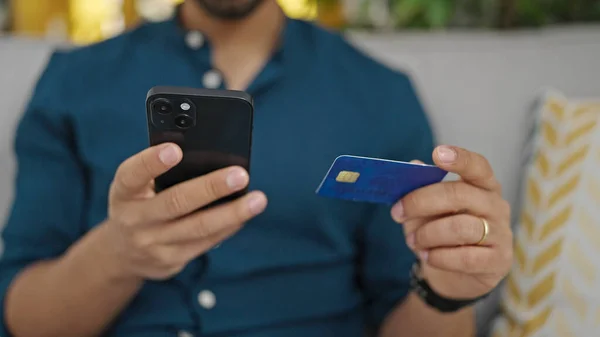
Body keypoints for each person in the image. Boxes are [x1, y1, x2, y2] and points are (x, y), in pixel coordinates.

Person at [0, 0, 513, 336]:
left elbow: (402, 310)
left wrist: (448, 288)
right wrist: (120, 254)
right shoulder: (74, 83)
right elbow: (22, 317)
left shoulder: (380, 95)